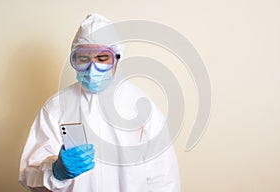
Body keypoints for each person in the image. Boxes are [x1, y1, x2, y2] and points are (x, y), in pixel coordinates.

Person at [19, 13, 180, 192]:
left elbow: (164, 179)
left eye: (102, 59)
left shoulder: (142, 107)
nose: (92, 67)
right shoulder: (56, 107)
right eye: (83, 59)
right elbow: (29, 175)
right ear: (74, 60)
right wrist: (56, 172)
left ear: (117, 59)